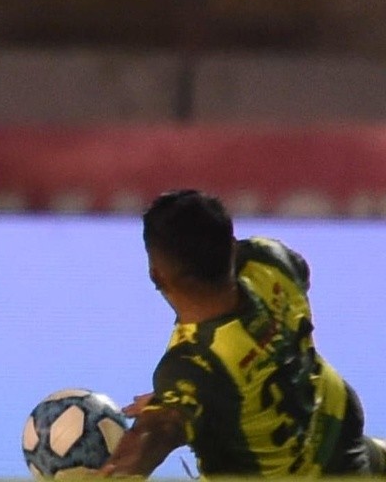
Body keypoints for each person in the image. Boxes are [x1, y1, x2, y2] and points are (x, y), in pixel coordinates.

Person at [101, 189, 385, 477]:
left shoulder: (193, 364)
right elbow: (294, 286)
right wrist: (197, 396)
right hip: (338, 431)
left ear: (156, 274)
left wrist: (112, 468)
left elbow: (159, 433)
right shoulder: (270, 260)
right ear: (231, 245)